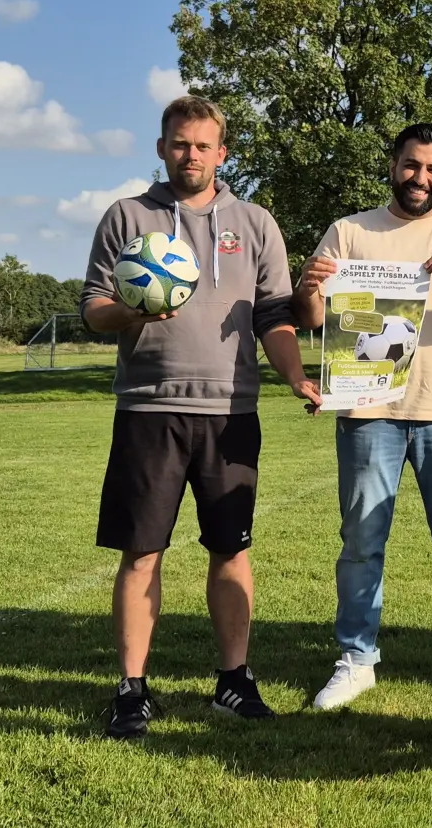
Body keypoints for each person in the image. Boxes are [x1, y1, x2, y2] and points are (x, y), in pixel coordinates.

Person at [81, 95, 322, 739]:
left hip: (231, 411)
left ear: (223, 152)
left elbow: (275, 314)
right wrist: (134, 310)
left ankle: (233, 682)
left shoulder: (255, 221)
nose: (192, 155)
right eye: (180, 143)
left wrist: (295, 374)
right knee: (141, 553)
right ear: (161, 147)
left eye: (204, 145)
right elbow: (94, 309)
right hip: (149, 409)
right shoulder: (127, 217)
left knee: (231, 550)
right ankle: (132, 689)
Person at [293, 123, 432, 710]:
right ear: (393, 164)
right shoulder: (349, 231)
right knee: (363, 540)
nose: (420, 178)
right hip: (369, 410)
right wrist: (309, 286)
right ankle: (356, 657)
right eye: (411, 165)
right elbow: (315, 320)